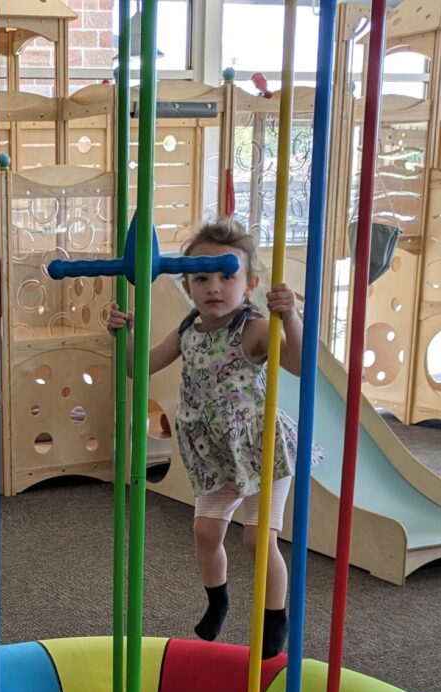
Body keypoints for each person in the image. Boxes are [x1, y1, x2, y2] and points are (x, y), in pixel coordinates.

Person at [107, 218, 320, 658]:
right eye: (202, 277)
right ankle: (218, 599)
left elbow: (300, 366)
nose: (214, 287)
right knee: (205, 532)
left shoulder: (254, 329)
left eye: (228, 275)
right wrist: (121, 333)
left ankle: (275, 616)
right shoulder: (187, 332)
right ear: (188, 284)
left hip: (262, 451)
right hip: (217, 455)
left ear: (250, 285)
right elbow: (137, 368)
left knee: (257, 540)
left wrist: (292, 316)